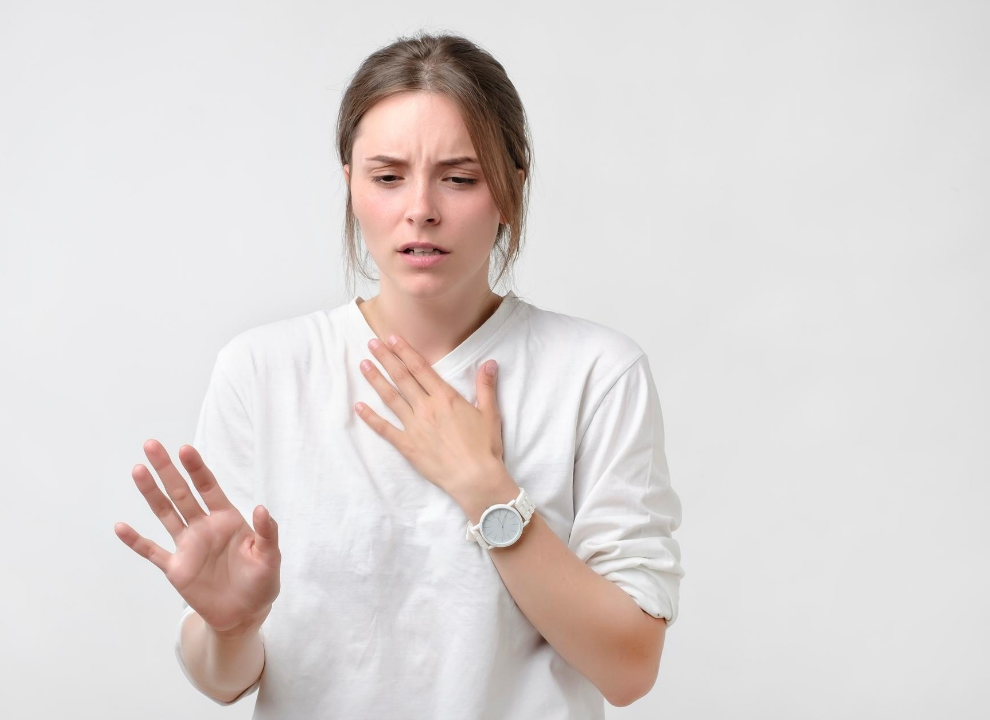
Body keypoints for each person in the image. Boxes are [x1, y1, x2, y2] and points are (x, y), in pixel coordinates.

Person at [113, 30, 684, 719]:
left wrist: (487, 492)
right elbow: (222, 681)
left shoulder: (597, 373)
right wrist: (231, 626)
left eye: (460, 178)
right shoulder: (263, 371)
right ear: (350, 186)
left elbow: (628, 668)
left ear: (511, 190)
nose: (421, 210)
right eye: (387, 177)